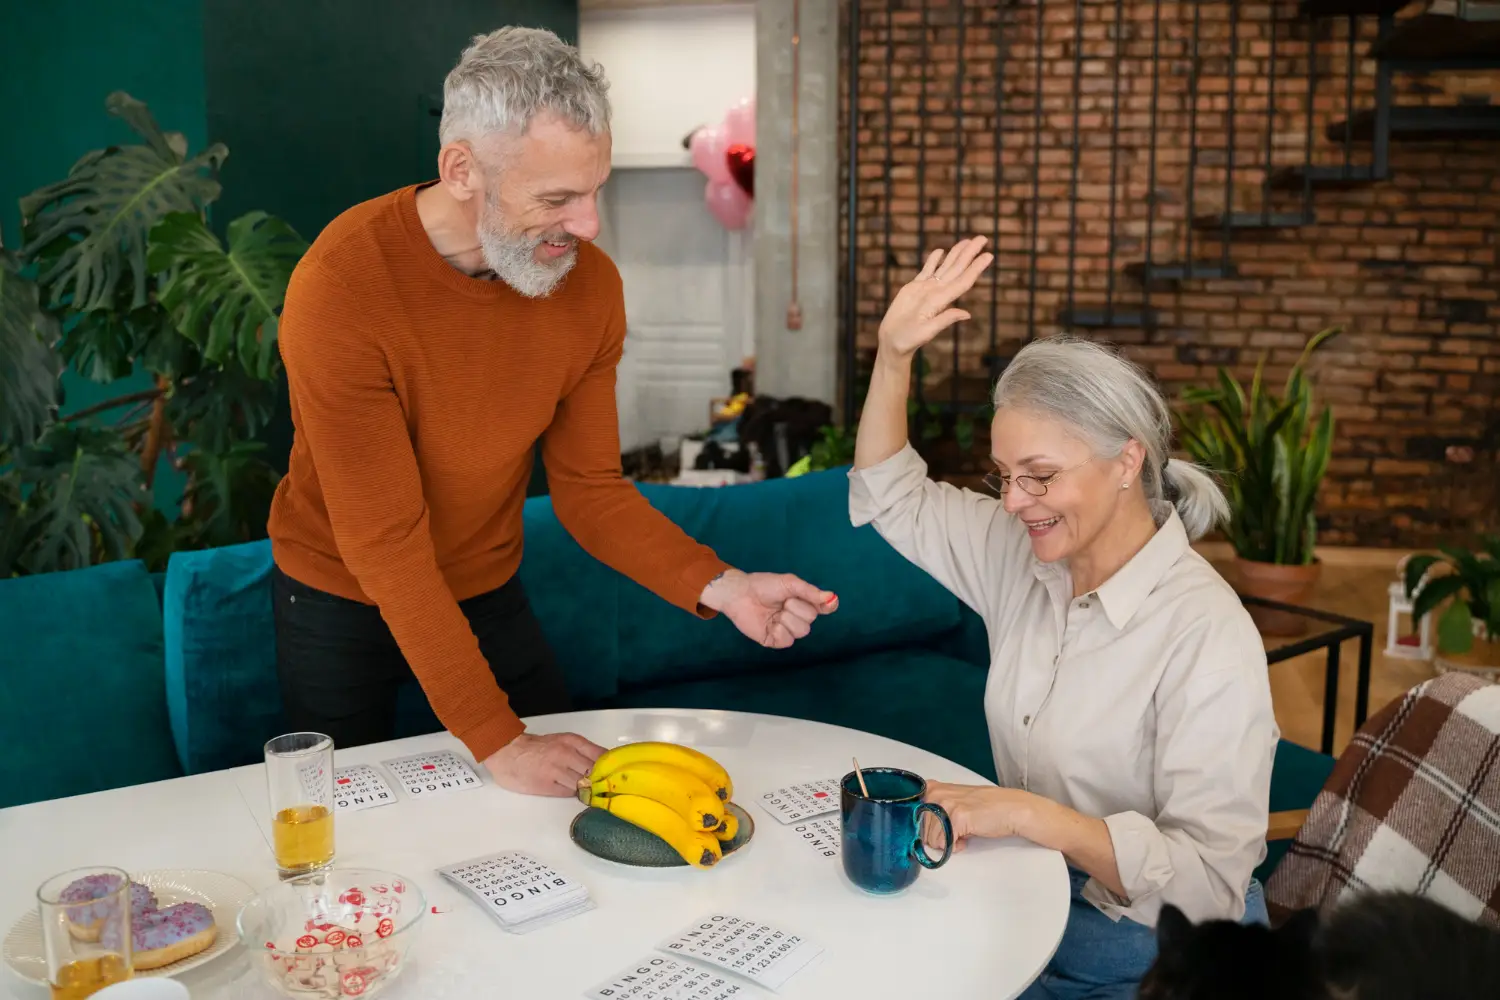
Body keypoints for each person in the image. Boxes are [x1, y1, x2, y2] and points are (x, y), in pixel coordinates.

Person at [267, 26, 838, 800]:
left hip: (485, 581)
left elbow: (592, 491)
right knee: (344, 822)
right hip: (338, 592)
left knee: (565, 798)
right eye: (557, 198)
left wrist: (726, 587)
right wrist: (499, 742)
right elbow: (387, 545)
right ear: (461, 169)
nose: (590, 224)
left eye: (594, 188)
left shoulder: (587, 287)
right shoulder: (342, 285)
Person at [848, 237, 1278, 999]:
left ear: (1125, 463)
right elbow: (892, 492)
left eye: (1040, 477)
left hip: (1157, 959)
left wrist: (1031, 817)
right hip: (1034, 901)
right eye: (1005, 477)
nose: (1013, 503)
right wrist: (892, 354)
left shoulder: (1206, 636)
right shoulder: (1024, 552)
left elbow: (1210, 884)